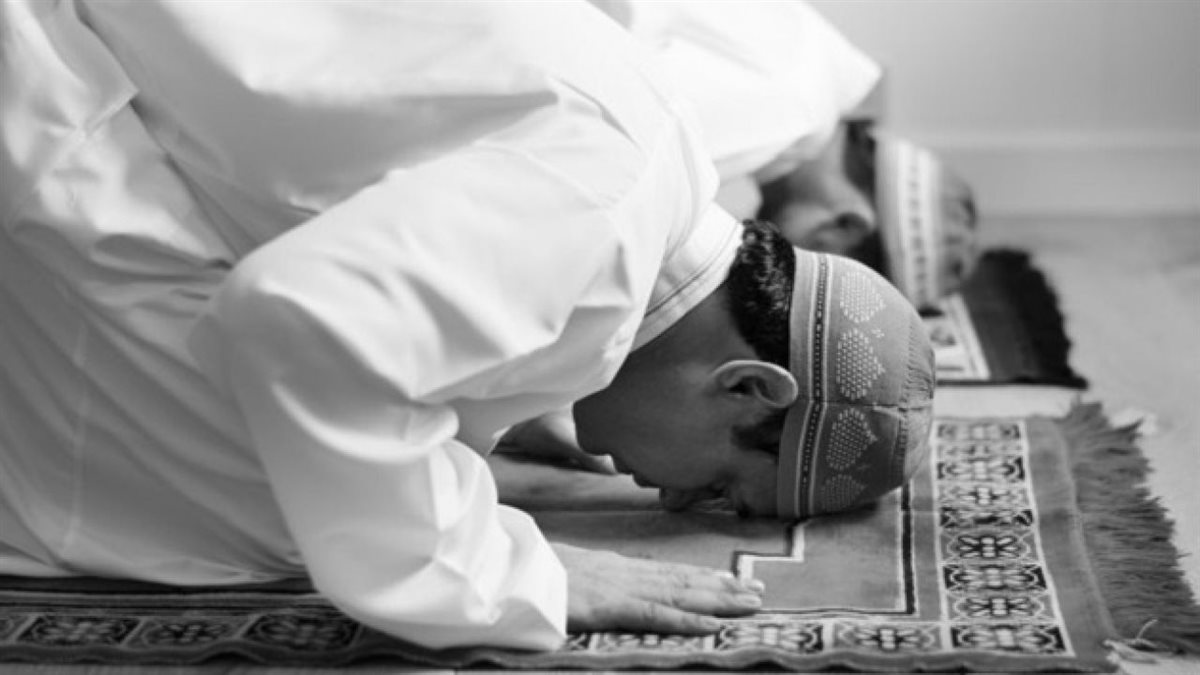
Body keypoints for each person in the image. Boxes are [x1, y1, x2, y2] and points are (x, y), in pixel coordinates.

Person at [0, 0, 933, 653]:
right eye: (724, 485)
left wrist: (493, 390)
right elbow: (299, 318)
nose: (679, 504)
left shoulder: (666, 160)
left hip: (108, 64)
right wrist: (498, 570)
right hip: (49, 62)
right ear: (749, 386)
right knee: (273, 523)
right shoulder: (604, 224)